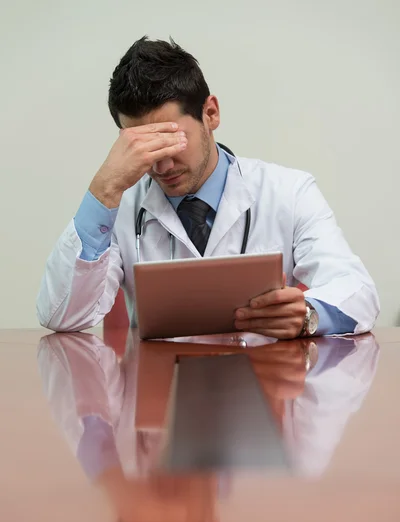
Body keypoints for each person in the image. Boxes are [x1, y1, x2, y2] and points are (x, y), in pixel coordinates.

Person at [37, 36, 380, 338]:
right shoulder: (118, 209)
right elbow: (61, 316)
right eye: (144, 147)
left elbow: (359, 292)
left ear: (211, 113)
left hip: (263, 389)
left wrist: (309, 314)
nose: (162, 166)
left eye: (171, 140)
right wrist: (104, 189)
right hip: (157, 392)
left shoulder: (289, 191)